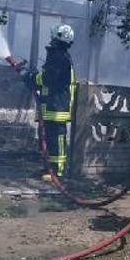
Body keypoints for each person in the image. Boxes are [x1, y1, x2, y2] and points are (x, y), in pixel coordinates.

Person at [28, 24, 76, 180]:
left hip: (57, 107)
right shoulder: (58, 56)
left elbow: (48, 79)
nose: (51, 40)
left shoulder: (59, 58)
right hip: (51, 106)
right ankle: (48, 168)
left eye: (54, 37)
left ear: (59, 38)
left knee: (57, 139)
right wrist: (33, 78)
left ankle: (58, 171)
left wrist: (32, 78)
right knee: (48, 139)